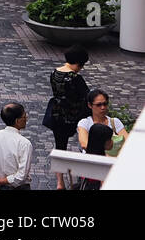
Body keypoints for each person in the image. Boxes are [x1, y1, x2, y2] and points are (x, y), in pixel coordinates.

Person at [45, 46, 91, 189]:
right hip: (74, 115)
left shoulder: (54, 73)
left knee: (60, 147)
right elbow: (87, 97)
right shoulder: (76, 78)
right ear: (79, 63)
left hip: (57, 113)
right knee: (85, 142)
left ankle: (60, 182)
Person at [0, 102, 32, 190]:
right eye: (24, 117)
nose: (26, 119)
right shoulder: (25, 143)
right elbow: (21, 175)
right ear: (17, 121)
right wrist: (3, 181)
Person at [77, 89, 128, 154]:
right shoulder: (84, 123)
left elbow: (128, 141)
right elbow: (84, 144)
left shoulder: (115, 122)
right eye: (98, 105)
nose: (103, 107)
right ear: (90, 105)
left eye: (105, 104)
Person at [76, 123, 114, 190]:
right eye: (110, 139)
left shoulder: (86, 158)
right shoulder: (103, 164)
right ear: (102, 142)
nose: (112, 142)